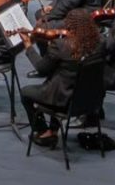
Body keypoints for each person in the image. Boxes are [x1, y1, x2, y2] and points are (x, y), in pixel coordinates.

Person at [20, 8, 105, 147]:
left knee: (26, 93)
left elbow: (41, 68)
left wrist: (28, 45)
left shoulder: (61, 46)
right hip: (90, 99)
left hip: (65, 101)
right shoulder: (100, 42)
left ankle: (43, 131)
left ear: (69, 25)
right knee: (59, 81)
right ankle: (53, 130)